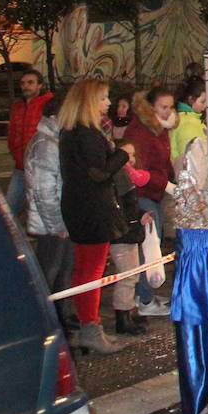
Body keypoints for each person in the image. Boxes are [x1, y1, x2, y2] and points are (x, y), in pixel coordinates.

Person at [58, 79, 129, 354]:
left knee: (85, 269)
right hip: (92, 208)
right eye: (103, 99)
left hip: (79, 206)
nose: (108, 103)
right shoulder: (86, 134)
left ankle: (87, 323)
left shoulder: (70, 131)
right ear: (89, 102)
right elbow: (99, 172)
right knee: (92, 271)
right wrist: (124, 153)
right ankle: (91, 326)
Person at [126, 85, 177, 318]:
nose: (168, 112)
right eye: (163, 107)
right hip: (142, 194)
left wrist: (172, 180)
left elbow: (163, 162)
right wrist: (165, 183)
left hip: (153, 192)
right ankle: (144, 299)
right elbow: (139, 170)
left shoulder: (159, 128)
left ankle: (145, 294)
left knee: (151, 245)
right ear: (150, 107)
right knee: (149, 247)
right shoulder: (141, 131)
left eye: (170, 107)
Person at [24, 96, 74, 330]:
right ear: (55, 116)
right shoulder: (46, 145)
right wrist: (57, 225)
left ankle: (61, 317)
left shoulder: (55, 140)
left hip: (61, 222)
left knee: (63, 271)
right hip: (52, 225)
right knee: (49, 272)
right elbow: (44, 191)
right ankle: (44, 321)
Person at [107, 139, 153, 336]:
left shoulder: (124, 177)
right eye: (126, 156)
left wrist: (140, 214)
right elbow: (122, 209)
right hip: (123, 234)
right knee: (127, 276)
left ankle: (127, 311)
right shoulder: (117, 179)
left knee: (132, 275)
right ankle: (122, 317)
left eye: (133, 155)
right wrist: (134, 220)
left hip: (130, 232)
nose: (130, 160)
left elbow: (130, 206)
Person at [6, 68, 53, 218]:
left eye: (30, 83)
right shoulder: (18, 106)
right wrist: (15, 153)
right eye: (23, 83)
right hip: (21, 166)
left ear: (40, 85)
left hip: (42, 167)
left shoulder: (49, 104)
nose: (26, 86)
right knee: (9, 207)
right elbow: (12, 133)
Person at [170, 77, 208, 162]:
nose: (205, 105)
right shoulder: (188, 124)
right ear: (191, 99)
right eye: (202, 101)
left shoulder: (188, 119)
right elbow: (192, 160)